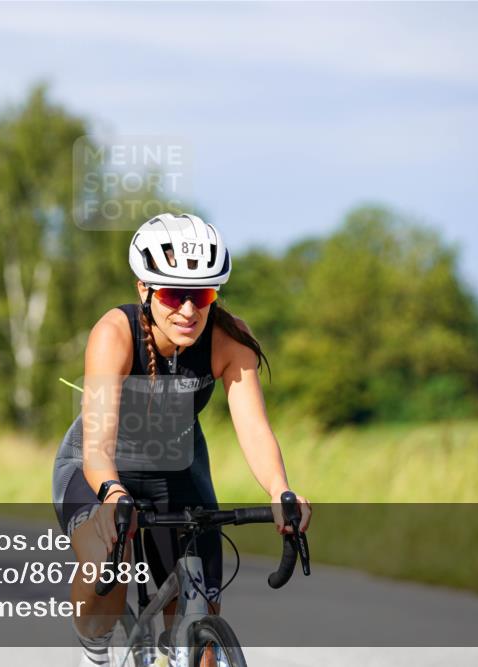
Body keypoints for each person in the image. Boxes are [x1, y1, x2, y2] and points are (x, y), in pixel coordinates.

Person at [51, 213, 311, 666]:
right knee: (107, 555)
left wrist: (280, 490)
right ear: (144, 289)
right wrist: (113, 495)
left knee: (200, 636)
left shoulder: (230, 339)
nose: (189, 311)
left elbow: (254, 427)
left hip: (178, 471)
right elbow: (98, 447)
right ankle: (94, 651)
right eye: (174, 295)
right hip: (98, 468)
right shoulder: (114, 334)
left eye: (202, 295)